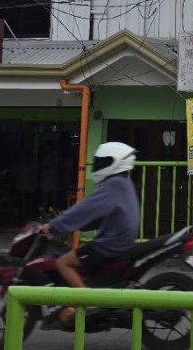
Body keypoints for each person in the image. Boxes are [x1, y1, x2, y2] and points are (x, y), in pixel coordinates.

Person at [38, 141, 140, 329]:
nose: (98, 165)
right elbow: (96, 214)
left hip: (109, 246)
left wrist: (53, 226)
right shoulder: (123, 183)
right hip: (118, 242)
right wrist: (74, 225)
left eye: (102, 162)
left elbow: (83, 209)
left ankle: (89, 304)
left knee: (63, 262)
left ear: (113, 162)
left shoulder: (113, 185)